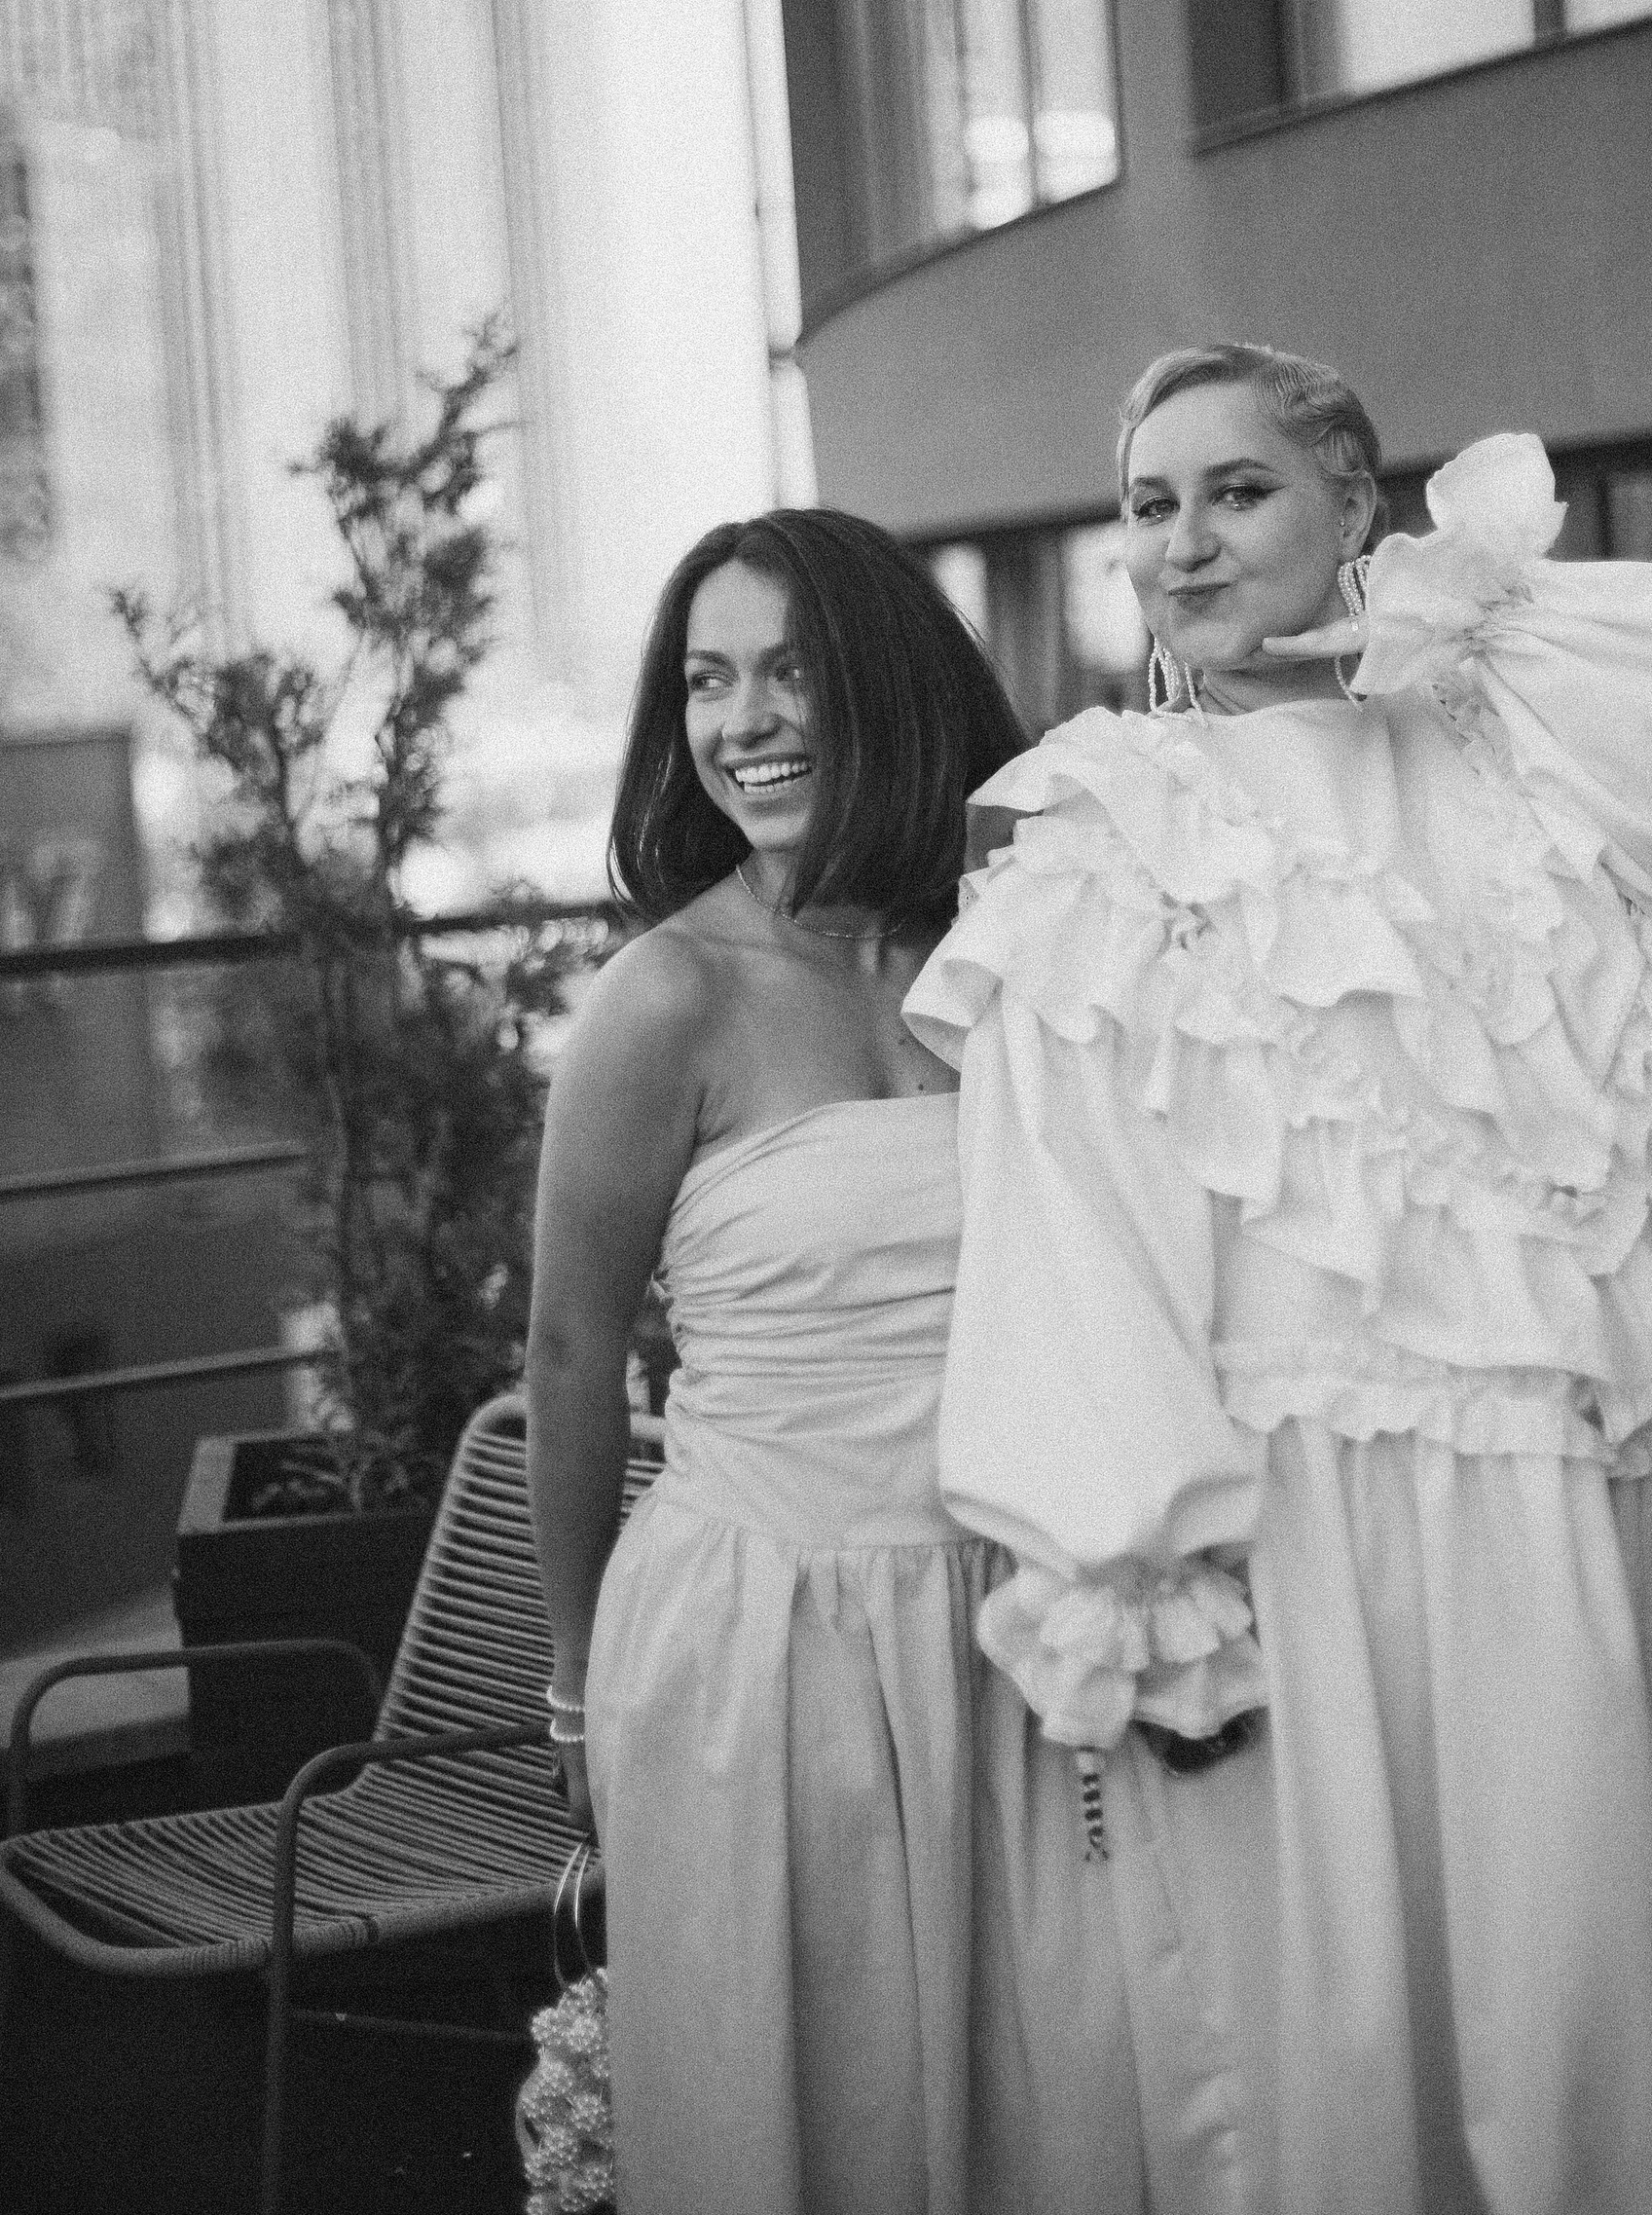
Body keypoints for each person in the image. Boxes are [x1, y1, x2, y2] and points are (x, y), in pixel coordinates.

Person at [904, 342, 1652, 2213]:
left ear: (1355, 506)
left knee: (1593, 2039)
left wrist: (1471, 624)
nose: (1185, 544)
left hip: (1579, 1509)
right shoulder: (1103, 822)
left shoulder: (1509, 757)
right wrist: (1138, 1571)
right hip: (1300, 1545)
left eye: (1240, 492)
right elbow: (1066, 1222)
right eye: (1150, 506)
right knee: (1352, 2064)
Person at [526, 505, 1027, 2215]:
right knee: (806, 2122)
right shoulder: (666, 998)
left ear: (889, 681)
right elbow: (572, 1352)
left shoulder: (1022, 948)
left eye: (791, 670)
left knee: (1039, 2104)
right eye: (707, 680)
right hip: (759, 1641)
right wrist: (571, 1684)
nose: (744, 721)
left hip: (1020, 1621)